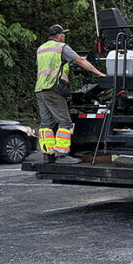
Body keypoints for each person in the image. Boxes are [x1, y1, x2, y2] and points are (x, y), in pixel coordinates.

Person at [34, 24, 104, 164]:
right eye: (63, 34)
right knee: (64, 121)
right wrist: (99, 73)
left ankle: (48, 154)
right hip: (54, 89)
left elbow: (51, 65)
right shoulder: (62, 47)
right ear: (57, 35)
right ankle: (62, 155)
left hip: (40, 89)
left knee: (46, 123)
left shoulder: (41, 49)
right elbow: (80, 61)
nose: (64, 36)